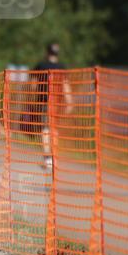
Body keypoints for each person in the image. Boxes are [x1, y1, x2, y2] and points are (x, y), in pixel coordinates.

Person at [32, 42, 73, 172]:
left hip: (43, 102)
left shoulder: (41, 66)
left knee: (44, 130)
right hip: (57, 103)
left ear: (47, 52)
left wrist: (32, 101)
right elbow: (66, 85)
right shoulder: (62, 67)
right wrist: (69, 101)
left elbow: (32, 85)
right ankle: (54, 158)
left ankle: (48, 159)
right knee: (54, 130)